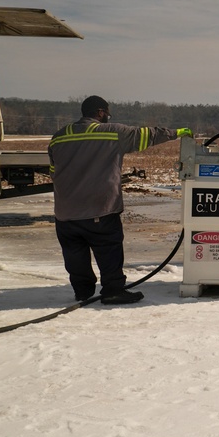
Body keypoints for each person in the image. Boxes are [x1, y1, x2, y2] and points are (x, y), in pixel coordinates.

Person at [48, 96, 192, 305]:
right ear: (100, 112)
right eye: (107, 113)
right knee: (108, 250)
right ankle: (113, 290)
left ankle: (82, 292)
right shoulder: (110, 133)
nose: (108, 116)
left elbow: (53, 171)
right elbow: (147, 135)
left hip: (65, 213)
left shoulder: (58, 137)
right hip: (99, 208)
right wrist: (177, 133)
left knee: (74, 254)